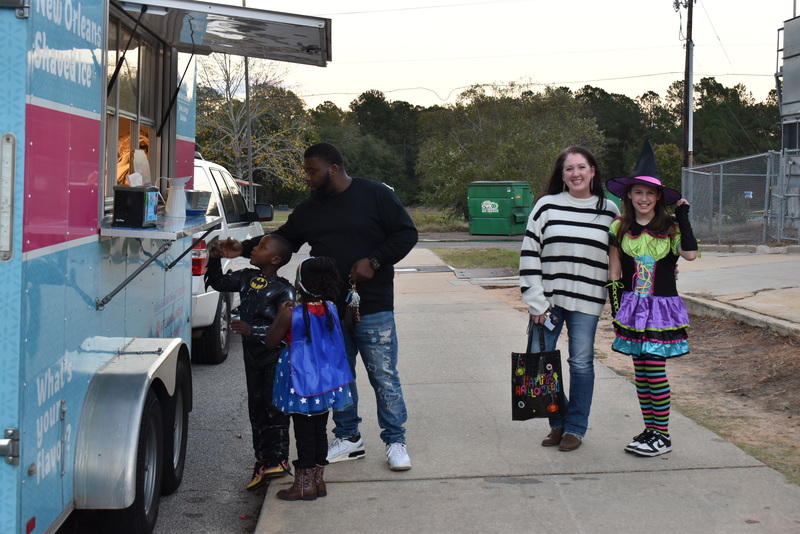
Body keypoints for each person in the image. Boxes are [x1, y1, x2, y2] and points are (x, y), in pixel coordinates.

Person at [221, 142, 418, 471]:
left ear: (334, 169)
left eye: (312, 171)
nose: (308, 178)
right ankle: (348, 437)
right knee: (338, 377)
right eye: (306, 171)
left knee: (384, 376)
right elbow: (282, 238)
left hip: (374, 304)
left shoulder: (376, 195)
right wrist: (243, 248)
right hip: (324, 312)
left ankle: (395, 440)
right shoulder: (309, 209)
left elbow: (406, 234)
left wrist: (375, 259)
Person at [519, 146, 620, 452]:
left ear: (593, 171)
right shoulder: (546, 206)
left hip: (588, 301)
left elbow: (623, 255)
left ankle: (574, 428)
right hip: (548, 302)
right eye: (569, 169)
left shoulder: (610, 211)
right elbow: (529, 252)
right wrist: (535, 301)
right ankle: (558, 419)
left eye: (582, 167)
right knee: (537, 363)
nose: (575, 173)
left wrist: (666, 266)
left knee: (581, 363)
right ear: (561, 175)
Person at [605, 138, 698, 457]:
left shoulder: (670, 228)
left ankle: (663, 435)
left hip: (661, 309)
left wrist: (682, 217)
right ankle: (649, 430)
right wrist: (616, 310)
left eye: (650, 193)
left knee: (655, 370)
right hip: (632, 309)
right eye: (638, 192)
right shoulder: (619, 227)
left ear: (658, 197)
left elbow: (690, 255)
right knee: (640, 372)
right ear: (629, 195)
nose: (643, 198)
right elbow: (614, 273)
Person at [205, 234, 296, 490]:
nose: (254, 249)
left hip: (275, 356)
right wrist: (214, 259)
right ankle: (261, 459)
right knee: (256, 406)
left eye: (261, 247)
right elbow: (219, 282)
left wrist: (251, 330)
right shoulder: (245, 277)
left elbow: (286, 329)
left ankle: (278, 458)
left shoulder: (284, 289)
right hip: (253, 356)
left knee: (274, 406)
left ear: (275, 259)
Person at [264, 256, 354, 501]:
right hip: (325, 381)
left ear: (301, 284)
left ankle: (303, 486)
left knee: (303, 431)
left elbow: (271, 341)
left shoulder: (292, 313)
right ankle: (318, 482)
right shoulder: (331, 308)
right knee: (319, 430)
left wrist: (279, 315)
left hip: (300, 380)